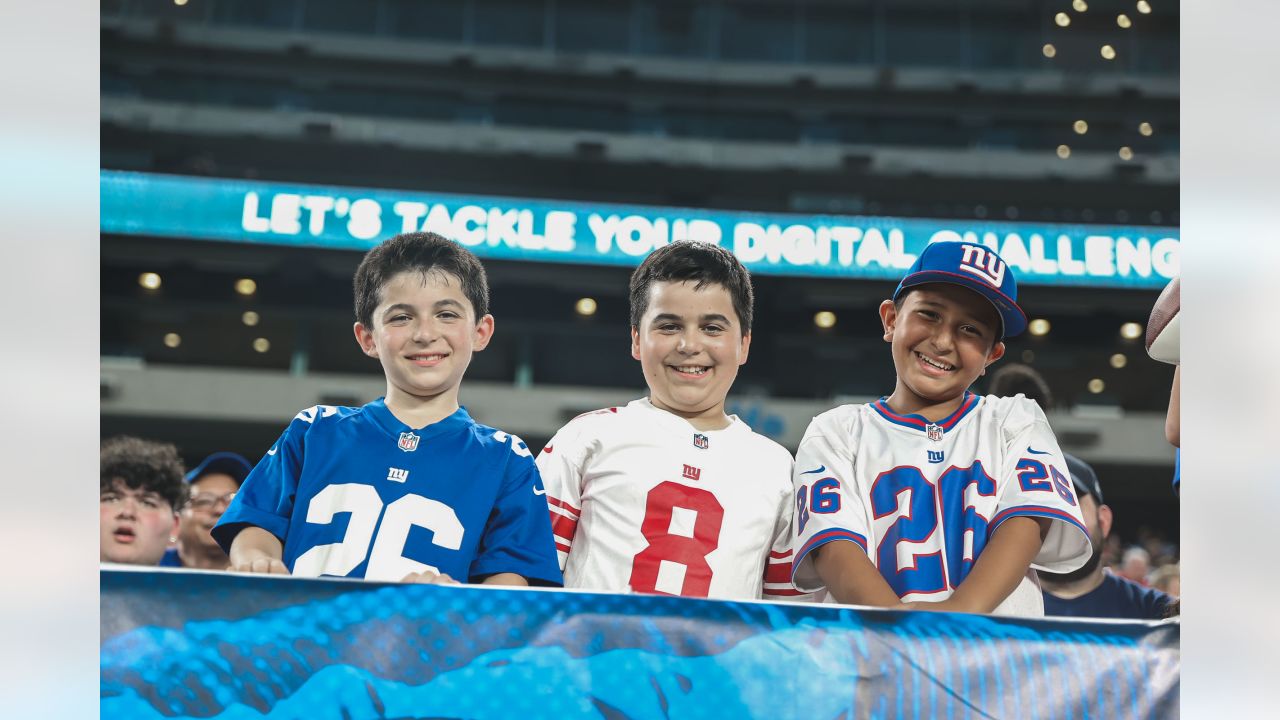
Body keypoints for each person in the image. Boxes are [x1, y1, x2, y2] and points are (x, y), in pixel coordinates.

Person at [213, 232, 562, 587]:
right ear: (367, 337)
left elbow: (512, 580)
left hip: (425, 641)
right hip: (301, 634)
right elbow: (256, 522)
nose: (425, 334)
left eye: (445, 314)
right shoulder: (315, 430)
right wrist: (257, 560)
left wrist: (460, 600)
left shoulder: (506, 459)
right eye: (400, 318)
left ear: (481, 331)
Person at [790, 241, 1090, 616]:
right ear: (891, 319)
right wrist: (911, 635)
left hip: (994, 662)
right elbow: (833, 549)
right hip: (874, 657)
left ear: (991, 356)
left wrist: (955, 617)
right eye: (930, 314)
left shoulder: (1015, 418)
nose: (943, 341)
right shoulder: (836, 430)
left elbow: (1026, 524)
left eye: (970, 329)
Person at [535, 241, 804, 600]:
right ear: (636, 339)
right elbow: (529, 581)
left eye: (711, 328)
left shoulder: (777, 468)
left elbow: (785, 614)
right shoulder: (586, 438)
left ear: (744, 344)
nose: (689, 345)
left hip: (715, 657)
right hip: (595, 654)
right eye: (668, 326)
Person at [1040, 455, 1173, 619]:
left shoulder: (1157, 612)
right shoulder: (1000, 605)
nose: (1056, 518)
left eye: (1068, 501)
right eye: (1040, 505)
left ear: (1103, 521)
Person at [100, 436, 186, 566]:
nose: (127, 512)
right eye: (112, 499)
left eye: (147, 503)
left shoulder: (207, 587)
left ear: (174, 527)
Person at [160, 452, 253, 569]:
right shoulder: (149, 566)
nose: (220, 510)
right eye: (204, 501)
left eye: (232, 502)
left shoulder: (265, 577)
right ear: (177, 519)